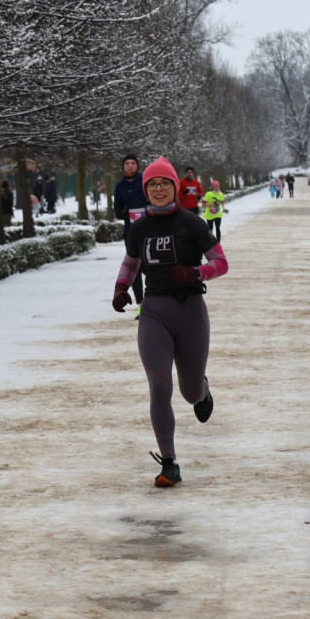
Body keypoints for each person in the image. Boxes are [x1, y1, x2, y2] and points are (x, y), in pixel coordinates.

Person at [111, 156, 228, 488]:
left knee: (188, 393)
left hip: (190, 311)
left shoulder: (192, 223)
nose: (158, 189)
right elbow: (130, 263)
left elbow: (221, 263)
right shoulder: (139, 228)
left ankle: (202, 390)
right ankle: (169, 462)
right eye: (152, 184)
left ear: (175, 187)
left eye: (164, 183)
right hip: (154, 312)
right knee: (159, 386)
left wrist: (194, 272)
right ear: (145, 190)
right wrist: (121, 288)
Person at [113, 154, 146, 314]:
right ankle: (141, 303)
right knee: (135, 268)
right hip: (131, 232)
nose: (130, 166)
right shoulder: (120, 187)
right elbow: (116, 210)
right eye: (127, 163)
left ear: (138, 166)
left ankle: (155, 300)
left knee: (151, 264)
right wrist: (126, 212)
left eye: (133, 163)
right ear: (123, 167)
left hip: (150, 229)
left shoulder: (145, 181)